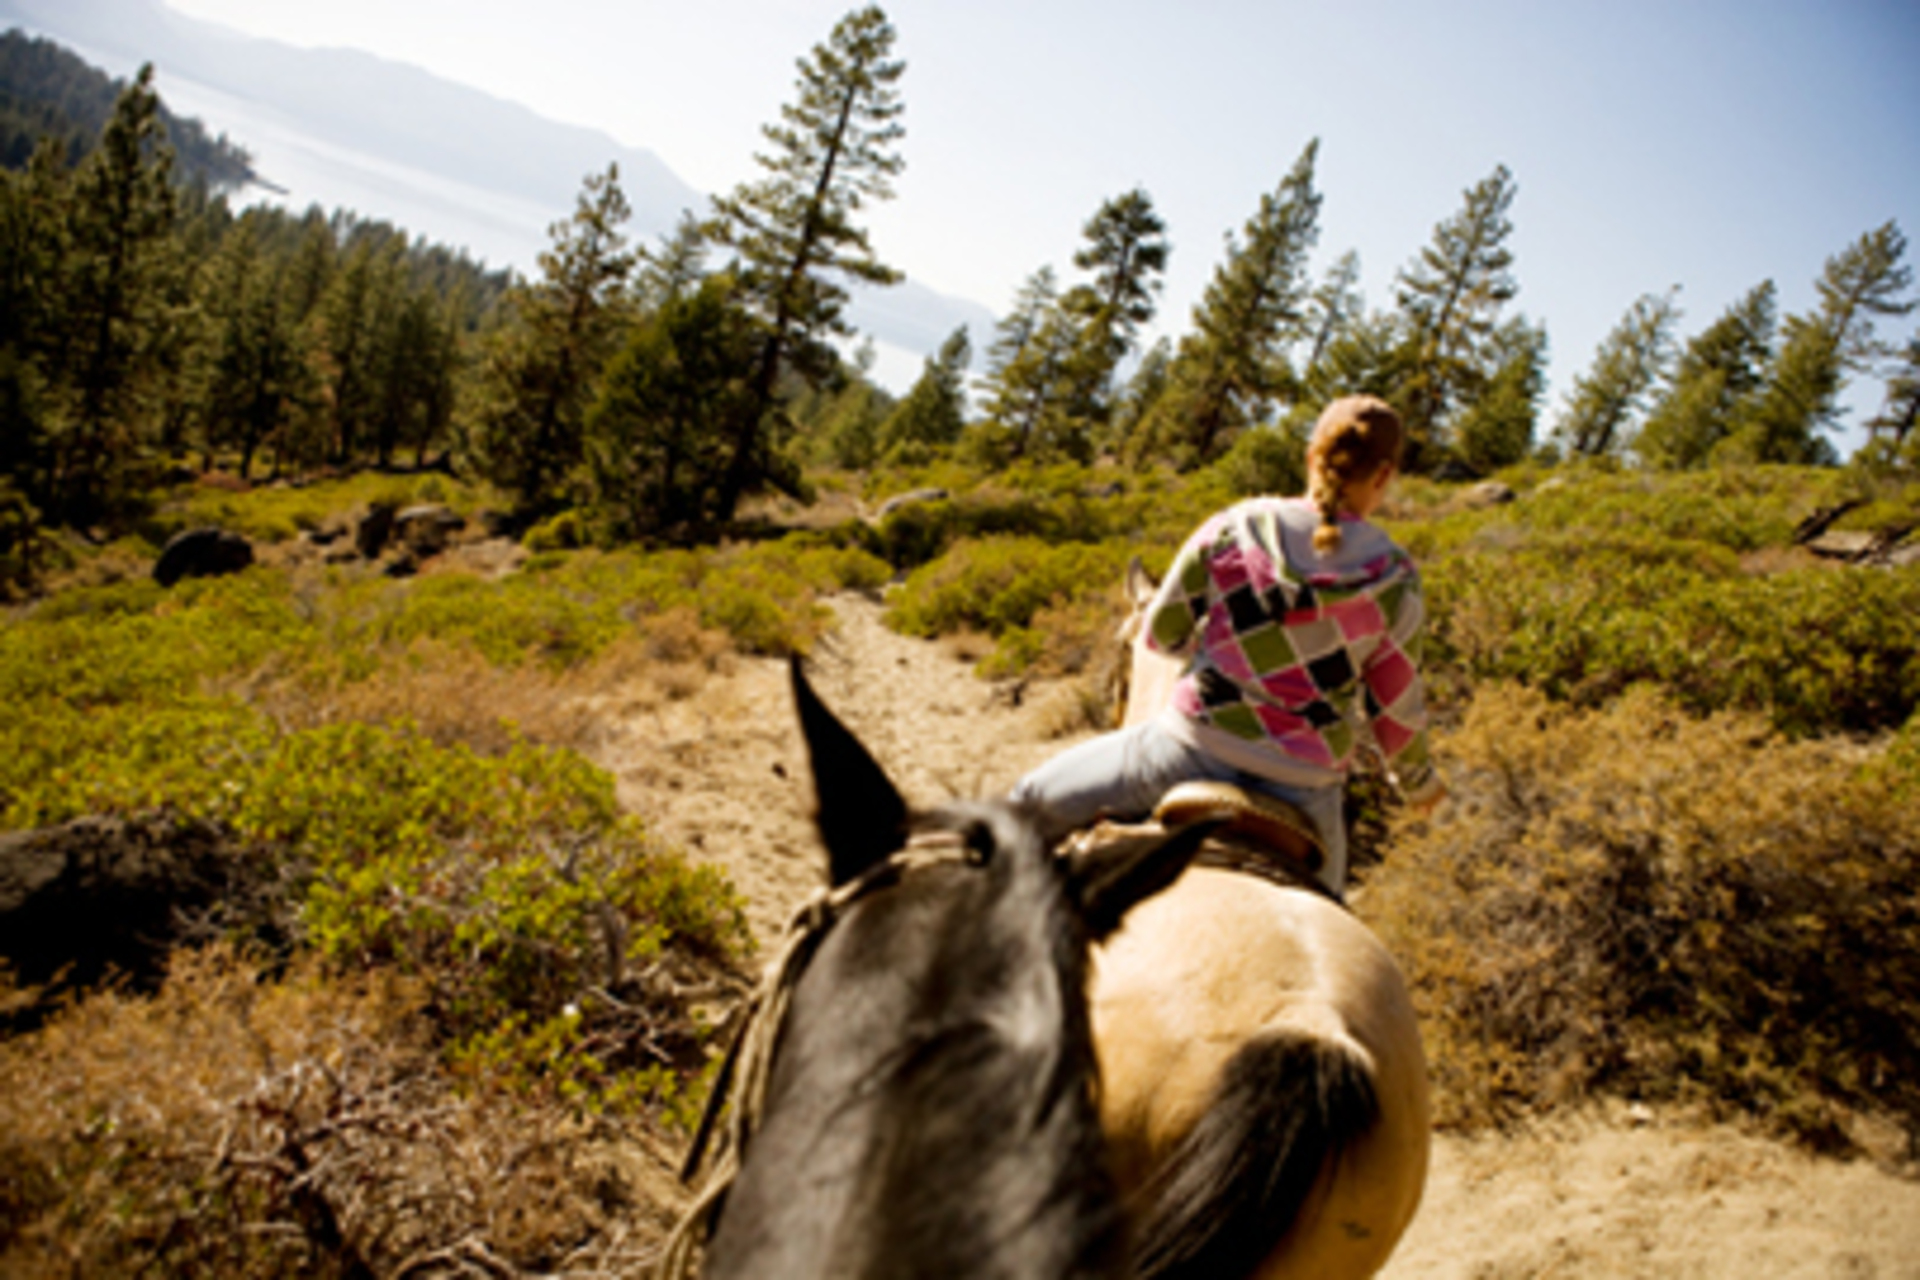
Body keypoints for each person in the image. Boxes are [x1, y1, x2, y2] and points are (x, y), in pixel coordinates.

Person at [1009, 394, 1443, 896]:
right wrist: (1420, 783)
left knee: (1026, 803)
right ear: (1384, 475)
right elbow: (1394, 711)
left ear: (1311, 456)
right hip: (1306, 789)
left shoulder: (1237, 527)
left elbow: (1162, 633)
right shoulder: (1395, 577)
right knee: (1331, 917)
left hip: (1184, 754)